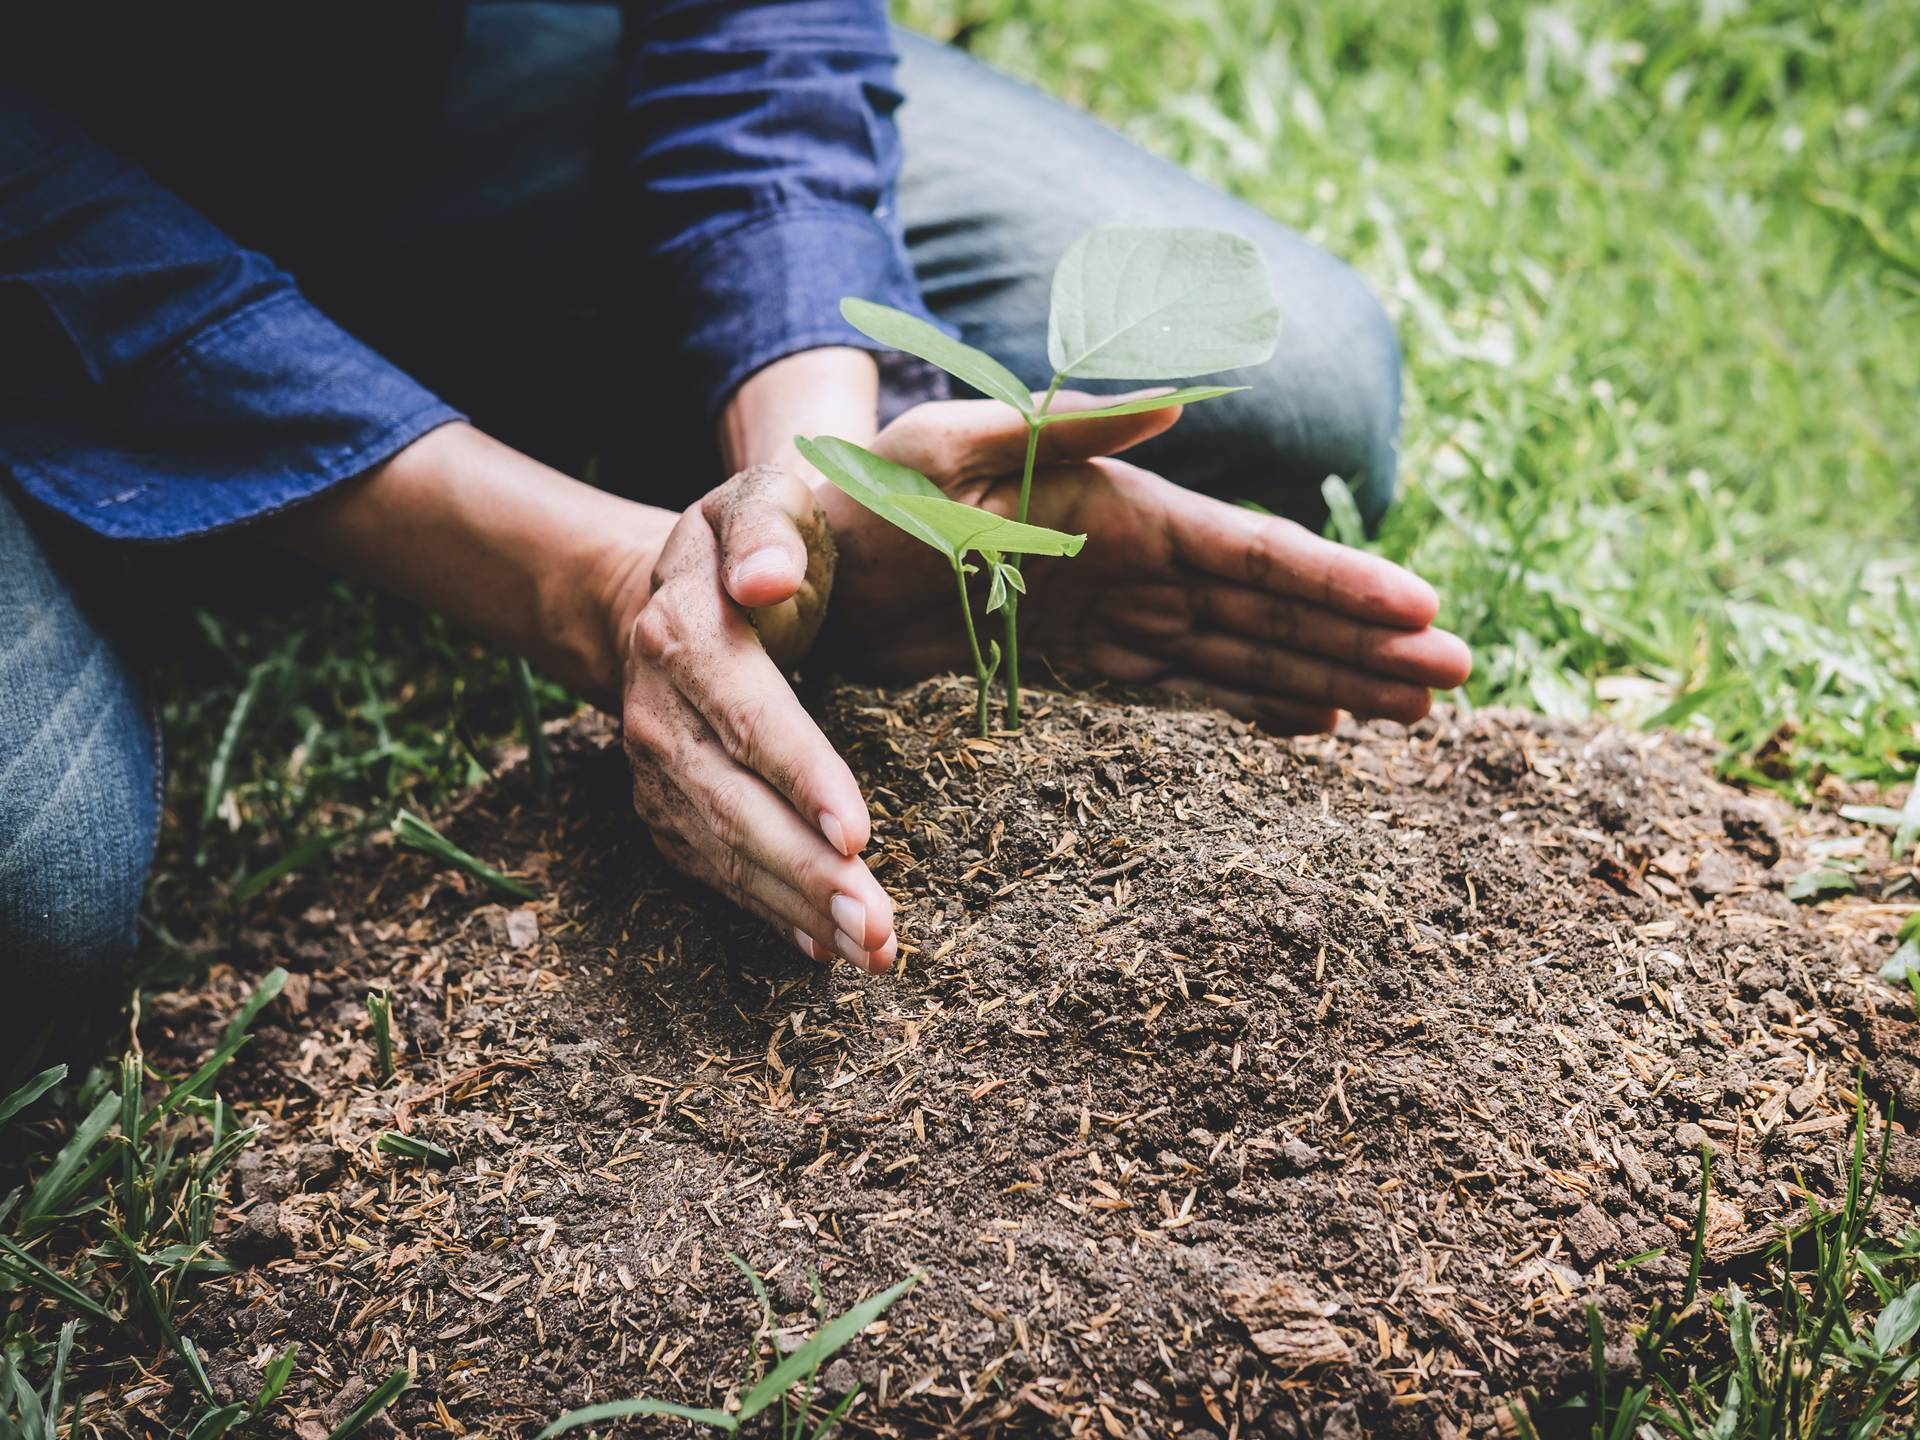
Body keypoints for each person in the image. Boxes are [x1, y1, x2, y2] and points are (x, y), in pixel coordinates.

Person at [0, 4, 1470, 1034]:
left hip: (398, 70)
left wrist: (820, 483)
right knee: (29, 899)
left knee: (1295, 394)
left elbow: (758, 32)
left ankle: (484, 355)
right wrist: (593, 579)